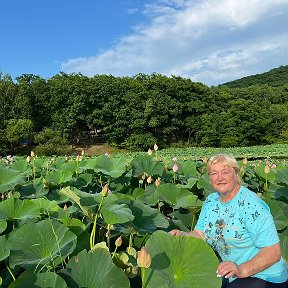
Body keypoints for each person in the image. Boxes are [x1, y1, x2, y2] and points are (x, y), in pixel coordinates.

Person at [169, 153, 288, 288]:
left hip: (264, 276)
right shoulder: (211, 201)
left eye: (225, 172)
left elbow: (273, 252)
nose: (220, 178)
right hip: (232, 272)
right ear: (209, 177)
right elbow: (200, 233)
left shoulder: (252, 205)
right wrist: (183, 235)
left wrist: (241, 269)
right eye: (214, 173)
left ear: (236, 174)